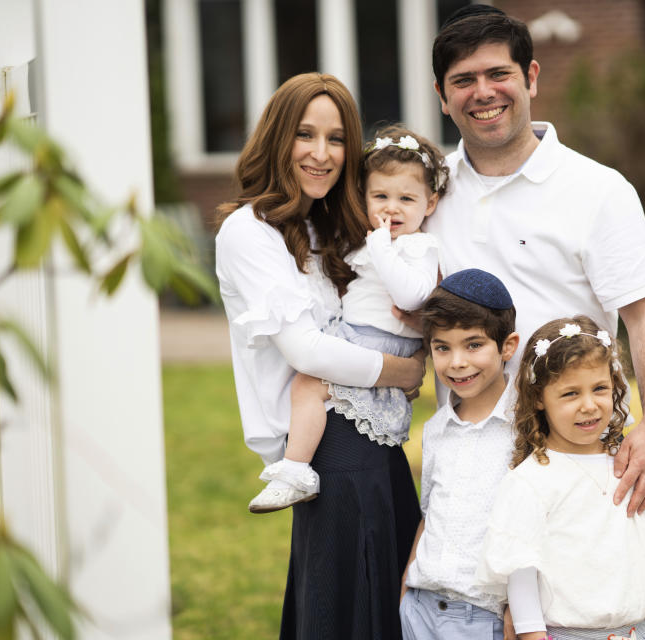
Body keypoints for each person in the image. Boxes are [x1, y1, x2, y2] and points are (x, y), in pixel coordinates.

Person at [424, 4, 645, 515]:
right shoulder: (428, 195)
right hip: (470, 465)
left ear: (531, 77)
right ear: (442, 96)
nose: (483, 92)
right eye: (463, 80)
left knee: (607, 595)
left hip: (581, 457)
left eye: (499, 74)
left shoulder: (598, 190)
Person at [214, 73, 423, 638]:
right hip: (327, 448)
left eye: (336, 139)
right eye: (306, 134)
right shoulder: (249, 231)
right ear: (278, 137)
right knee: (340, 603)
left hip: (379, 442)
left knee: (391, 597)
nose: (322, 153)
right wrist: (404, 369)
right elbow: (306, 349)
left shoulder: (333, 225)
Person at [248, 124, 449, 513]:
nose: (391, 207)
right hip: (355, 335)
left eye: (406, 198)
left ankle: (293, 471)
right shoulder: (376, 240)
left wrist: (382, 249)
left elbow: (410, 295)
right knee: (304, 385)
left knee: (308, 385)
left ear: (430, 204)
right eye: (380, 196)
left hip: (379, 341)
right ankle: (294, 467)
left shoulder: (417, 245)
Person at [478, 316, 645, 640]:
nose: (589, 405)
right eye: (570, 394)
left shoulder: (628, 466)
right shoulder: (532, 481)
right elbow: (521, 575)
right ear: (539, 398)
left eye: (599, 389)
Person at [398, 269, 520, 639]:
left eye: (473, 345)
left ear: (507, 346)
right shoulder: (436, 430)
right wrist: (406, 586)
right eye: (442, 348)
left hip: (483, 617)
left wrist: (522, 609)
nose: (456, 362)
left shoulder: (527, 429)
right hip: (419, 609)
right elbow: (429, 515)